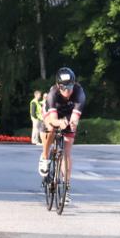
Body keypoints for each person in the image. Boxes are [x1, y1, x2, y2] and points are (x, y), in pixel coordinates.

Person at [38, 68, 86, 205]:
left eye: (70, 86)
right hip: (52, 112)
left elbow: (75, 119)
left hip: (68, 113)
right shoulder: (53, 94)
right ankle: (45, 156)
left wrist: (72, 124)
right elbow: (52, 119)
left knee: (67, 150)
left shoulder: (79, 94)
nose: (67, 90)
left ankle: (67, 187)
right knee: (51, 128)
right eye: (63, 87)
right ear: (58, 86)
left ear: (74, 84)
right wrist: (60, 122)